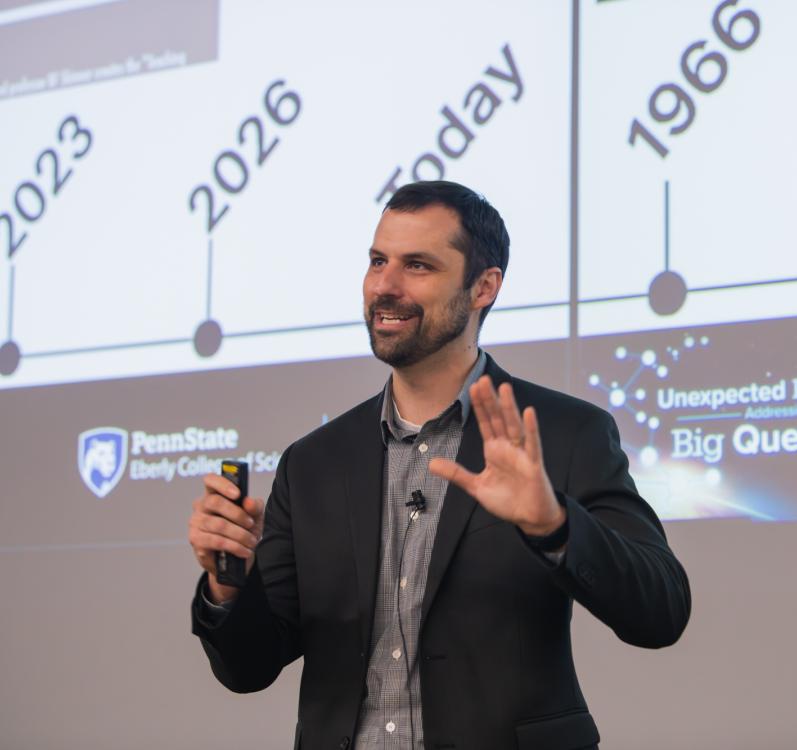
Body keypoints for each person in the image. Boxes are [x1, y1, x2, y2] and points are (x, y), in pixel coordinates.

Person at [188, 181, 691, 750]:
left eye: (417, 265)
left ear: (483, 287)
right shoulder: (313, 463)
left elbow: (662, 611)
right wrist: (228, 585)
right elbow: (248, 667)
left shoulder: (564, 434)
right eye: (378, 261)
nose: (385, 285)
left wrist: (554, 525)